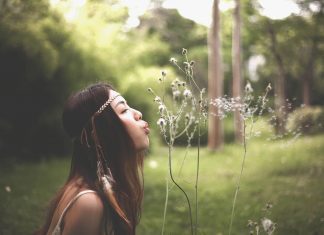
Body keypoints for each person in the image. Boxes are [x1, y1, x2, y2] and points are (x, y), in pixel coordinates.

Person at [35, 83, 150, 235]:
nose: (138, 114)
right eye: (123, 110)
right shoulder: (89, 203)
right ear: (98, 134)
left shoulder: (102, 189)